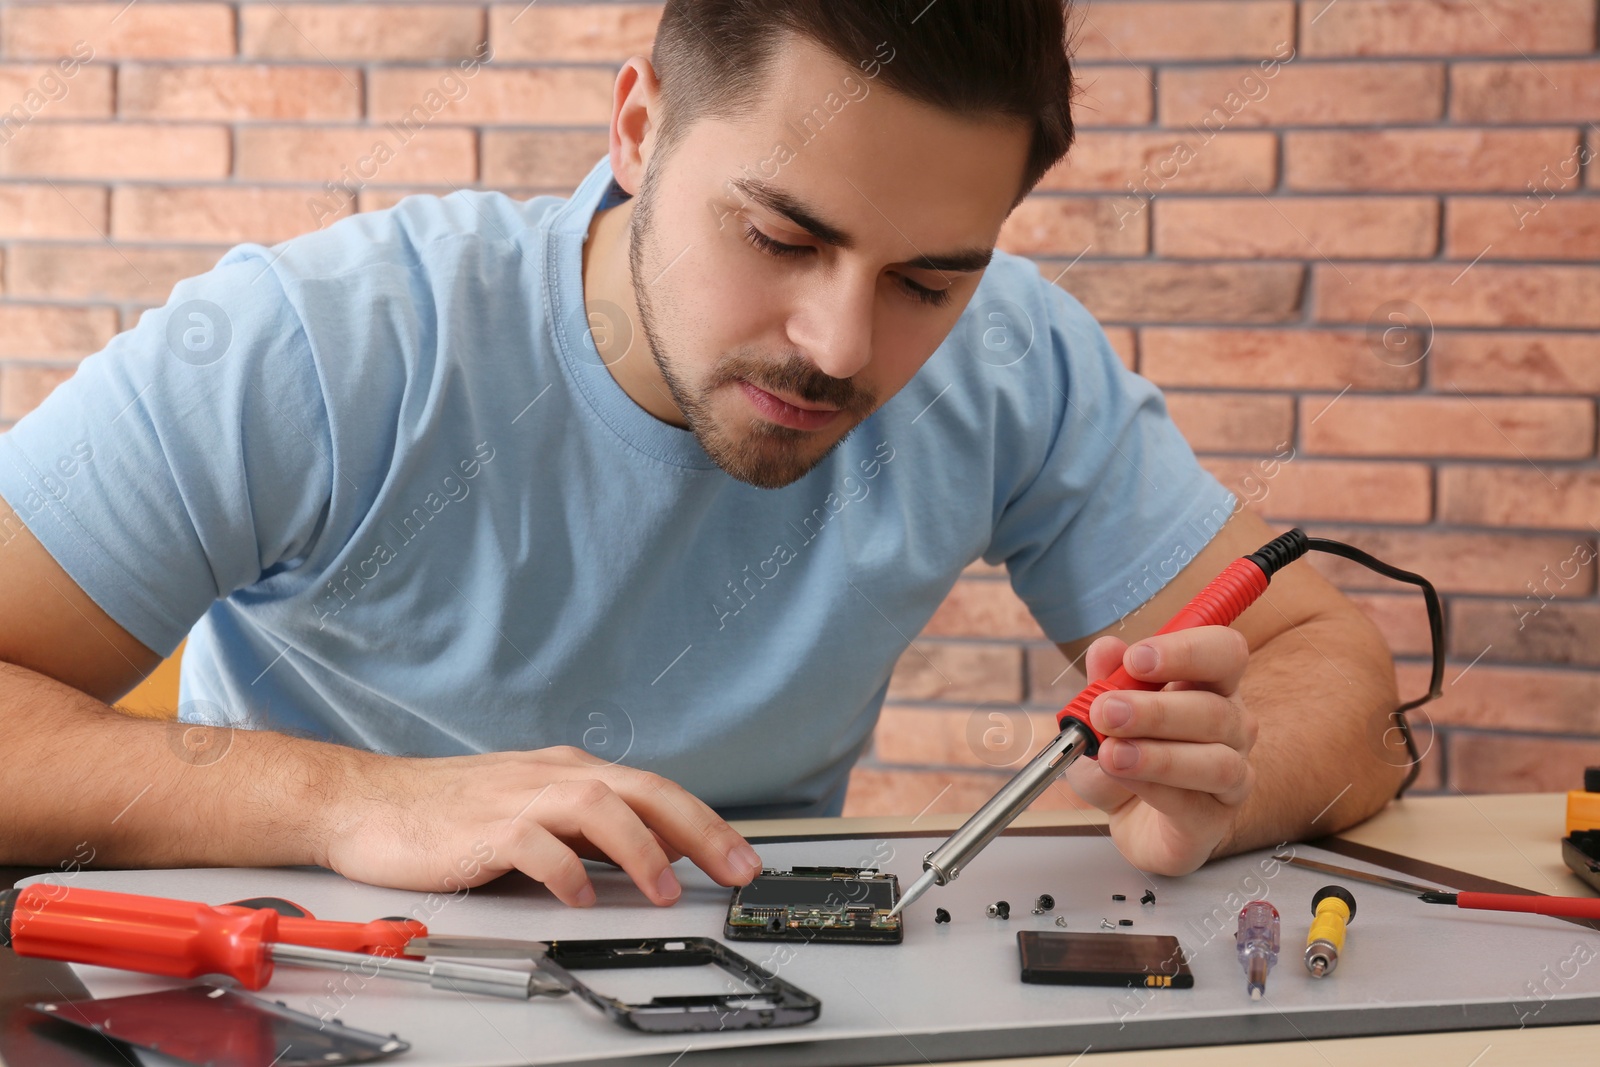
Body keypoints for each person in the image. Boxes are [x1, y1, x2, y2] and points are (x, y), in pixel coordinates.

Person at [0, 0, 1404, 908]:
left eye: (929, 278)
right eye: (782, 238)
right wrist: (356, 801)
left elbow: (1327, 667)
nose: (844, 344)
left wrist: (1219, 787)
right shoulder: (321, 340)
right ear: (637, 127)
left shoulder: (1013, 360)